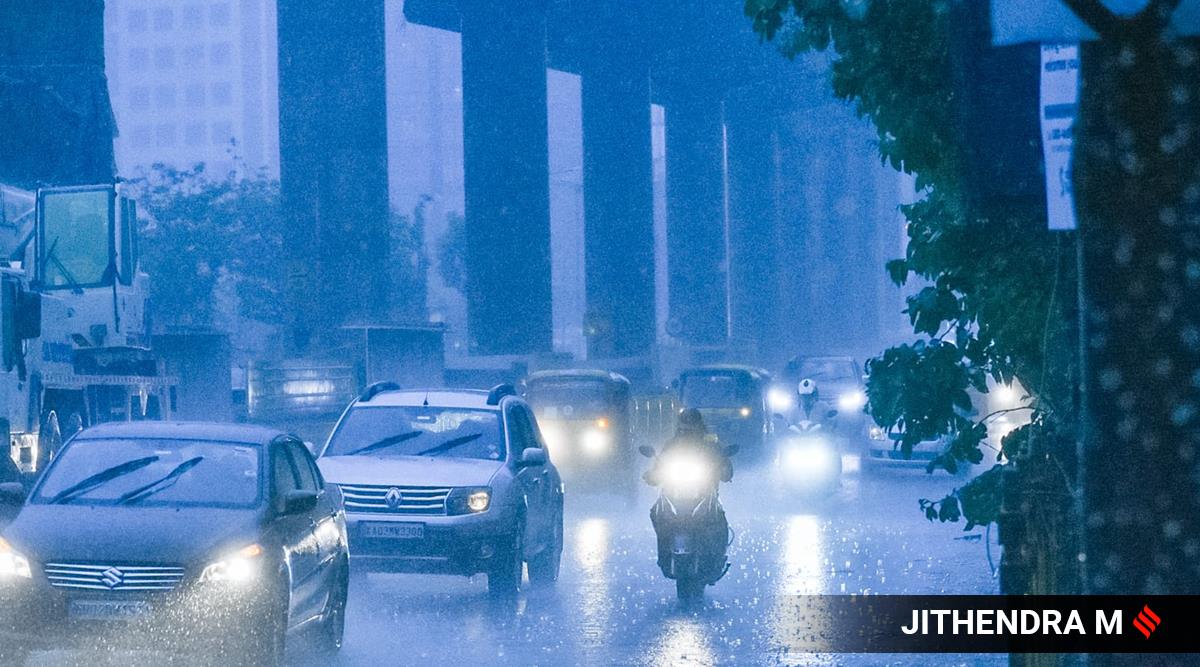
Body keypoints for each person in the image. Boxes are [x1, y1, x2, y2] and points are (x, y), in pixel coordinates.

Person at [646, 409, 732, 570]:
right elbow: (660, 463)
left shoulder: (710, 443)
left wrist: (723, 468)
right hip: (674, 490)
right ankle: (664, 551)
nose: (687, 427)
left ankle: (719, 553)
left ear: (699, 424)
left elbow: (723, 463)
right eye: (684, 423)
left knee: (718, 516)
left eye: (691, 423)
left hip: (705, 490)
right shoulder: (672, 444)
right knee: (656, 513)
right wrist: (653, 474)